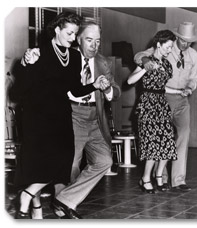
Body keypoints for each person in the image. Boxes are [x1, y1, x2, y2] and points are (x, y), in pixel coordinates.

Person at [14, 12, 108, 219]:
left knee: (62, 163)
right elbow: (20, 89)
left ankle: (27, 195)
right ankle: (34, 206)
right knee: (38, 164)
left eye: (75, 34)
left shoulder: (74, 56)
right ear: (57, 30)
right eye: (69, 33)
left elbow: (74, 90)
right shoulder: (40, 53)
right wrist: (25, 64)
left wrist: (93, 85)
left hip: (61, 114)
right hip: (37, 116)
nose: (73, 38)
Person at [52, 20, 121, 219]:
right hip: (71, 114)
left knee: (104, 161)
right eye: (89, 40)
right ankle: (62, 207)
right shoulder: (65, 57)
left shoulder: (103, 62)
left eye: (98, 41)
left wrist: (107, 88)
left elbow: (116, 92)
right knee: (70, 164)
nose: (94, 45)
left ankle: (63, 200)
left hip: (95, 118)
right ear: (78, 39)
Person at [134, 22, 197, 190]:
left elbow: (195, 78)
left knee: (184, 135)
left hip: (183, 99)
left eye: (189, 41)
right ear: (177, 37)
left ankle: (178, 180)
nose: (186, 44)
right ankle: (159, 177)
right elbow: (139, 55)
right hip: (164, 97)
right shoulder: (165, 48)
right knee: (161, 137)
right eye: (183, 40)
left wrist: (190, 88)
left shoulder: (193, 54)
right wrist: (145, 62)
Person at [128, 30, 177, 193]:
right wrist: (146, 68)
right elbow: (129, 80)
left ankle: (158, 177)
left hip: (161, 104)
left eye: (171, 47)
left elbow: (163, 86)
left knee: (168, 141)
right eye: (168, 47)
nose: (170, 50)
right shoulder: (146, 61)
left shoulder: (167, 65)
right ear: (158, 44)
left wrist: (180, 91)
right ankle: (145, 178)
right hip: (147, 105)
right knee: (152, 144)